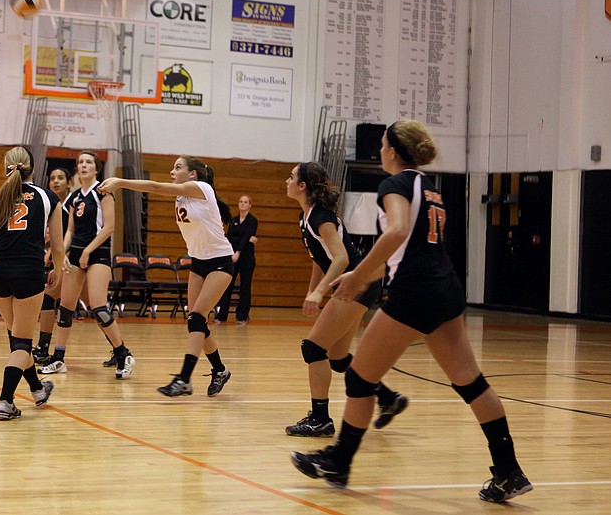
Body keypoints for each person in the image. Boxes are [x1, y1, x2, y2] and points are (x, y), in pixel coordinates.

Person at [291, 120, 533, 503]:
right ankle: (509, 471)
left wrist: (359, 276)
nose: (379, 151)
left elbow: (398, 232)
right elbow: (410, 245)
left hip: (414, 291)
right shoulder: (430, 187)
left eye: (382, 145)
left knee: (359, 378)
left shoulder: (395, 184)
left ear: (392, 150)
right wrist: (359, 274)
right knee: (471, 383)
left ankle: (338, 460)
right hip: (445, 289)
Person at [284, 162, 407, 438]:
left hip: (357, 283)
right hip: (357, 285)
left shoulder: (320, 217)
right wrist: (312, 291)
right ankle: (387, 398)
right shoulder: (306, 216)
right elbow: (320, 259)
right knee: (338, 358)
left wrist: (320, 292)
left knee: (313, 348)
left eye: (291, 177)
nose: (286, 181)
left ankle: (320, 419)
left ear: (302, 186)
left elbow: (340, 258)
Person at [98, 155, 234, 397]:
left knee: (196, 318)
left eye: (178, 167)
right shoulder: (182, 196)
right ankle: (220, 370)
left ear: (192, 174)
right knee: (197, 322)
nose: (172, 171)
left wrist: (121, 182)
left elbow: (156, 187)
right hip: (199, 263)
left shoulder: (201, 188)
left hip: (220, 262)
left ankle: (184, 379)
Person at [37, 151, 135, 380]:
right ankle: (58, 358)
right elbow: (70, 231)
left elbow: (109, 227)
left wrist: (88, 251)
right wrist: (63, 254)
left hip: (98, 254)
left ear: (96, 168)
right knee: (65, 308)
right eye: (80, 162)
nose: (83, 165)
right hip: (76, 256)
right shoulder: (74, 197)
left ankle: (123, 354)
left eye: (88, 162)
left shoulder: (104, 191)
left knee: (98, 308)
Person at [0, 146, 63, 420]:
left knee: (17, 337)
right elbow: (58, 246)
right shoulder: (47, 197)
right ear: (33, 169)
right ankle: (5, 401)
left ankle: (38, 390)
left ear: (5, 168)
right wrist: (57, 270)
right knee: (21, 343)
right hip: (28, 273)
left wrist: (4, 264)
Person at [33, 167, 71, 365]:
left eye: (61, 178)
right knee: (47, 299)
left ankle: (119, 349)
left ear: (69, 183)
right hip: (59, 260)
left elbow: (72, 236)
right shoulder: (48, 204)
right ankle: (42, 347)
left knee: (96, 307)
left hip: (74, 261)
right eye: (53, 178)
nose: (56, 182)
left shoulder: (73, 204)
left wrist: (56, 254)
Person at [214, 194, 258, 325]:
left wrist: (238, 251)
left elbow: (245, 238)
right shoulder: (233, 220)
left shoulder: (252, 220)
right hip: (232, 257)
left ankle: (241, 317)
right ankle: (222, 315)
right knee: (227, 285)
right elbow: (229, 237)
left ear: (250, 205)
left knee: (245, 286)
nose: (243, 204)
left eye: (246, 202)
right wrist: (247, 239)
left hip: (246, 257)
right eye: (241, 201)